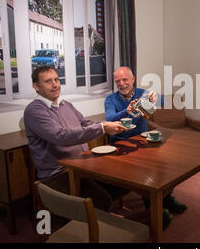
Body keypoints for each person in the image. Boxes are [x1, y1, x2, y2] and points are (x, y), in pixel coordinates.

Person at [24, 66, 129, 212]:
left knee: (124, 182)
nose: (55, 85)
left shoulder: (66, 104)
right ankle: (94, 220)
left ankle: (101, 215)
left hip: (83, 164)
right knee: (101, 200)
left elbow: (85, 123)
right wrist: (103, 128)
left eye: (56, 80)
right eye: (48, 81)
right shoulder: (34, 111)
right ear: (37, 86)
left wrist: (105, 125)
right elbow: (61, 136)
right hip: (59, 173)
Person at [105, 66, 187, 228]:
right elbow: (110, 117)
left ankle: (168, 198)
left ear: (133, 79)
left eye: (125, 80)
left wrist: (156, 97)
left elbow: (162, 102)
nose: (121, 84)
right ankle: (156, 208)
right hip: (120, 145)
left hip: (142, 142)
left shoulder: (142, 94)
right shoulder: (111, 100)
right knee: (146, 173)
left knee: (166, 165)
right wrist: (125, 111)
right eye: (118, 81)